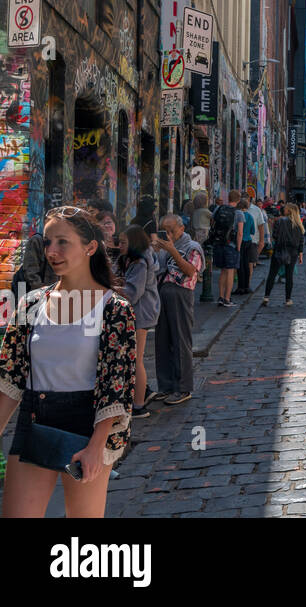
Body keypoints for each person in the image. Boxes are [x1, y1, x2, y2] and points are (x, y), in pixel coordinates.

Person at [0, 207, 136, 519]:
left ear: (90, 247)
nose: (52, 251)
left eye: (63, 242)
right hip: (34, 418)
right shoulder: (31, 304)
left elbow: (118, 387)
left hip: (87, 425)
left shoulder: (115, 309)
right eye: (47, 242)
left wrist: (96, 446)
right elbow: (11, 376)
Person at [152, 214, 204, 406]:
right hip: (162, 292)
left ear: (181, 229)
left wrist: (172, 251)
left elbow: (191, 271)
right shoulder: (165, 247)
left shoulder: (192, 247)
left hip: (180, 293)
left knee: (181, 340)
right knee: (163, 340)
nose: (168, 234)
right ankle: (166, 385)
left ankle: (183, 387)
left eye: (171, 230)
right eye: (164, 231)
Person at [116, 225, 160, 418]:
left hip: (141, 313)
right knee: (133, 358)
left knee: (137, 359)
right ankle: (139, 397)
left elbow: (133, 292)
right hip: (139, 312)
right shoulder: (130, 259)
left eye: (123, 242)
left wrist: (113, 288)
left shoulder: (140, 262)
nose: (119, 245)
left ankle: (139, 404)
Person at [264, 204, 305, 307]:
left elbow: (275, 236)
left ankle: (266, 296)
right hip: (293, 252)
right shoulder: (298, 224)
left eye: (286, 208)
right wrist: (300, 254)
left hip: (280, 250)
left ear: (289, 211)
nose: (284, 210)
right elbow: (301, 240)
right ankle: (288, 299)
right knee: (289, 276)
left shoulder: (279, 221)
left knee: (272, 274)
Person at [211, 192, 243, 307]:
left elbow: (212, 223)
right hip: (231, 245)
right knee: (230, 271)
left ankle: (220, 296)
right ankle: (227, 298)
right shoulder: (239, 213)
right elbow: (240, 232)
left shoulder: (218, 209)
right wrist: (238, 247)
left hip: (219, 243)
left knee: (223, 271)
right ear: (238, 200)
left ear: (228, 198)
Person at [235, 198, 257, 296]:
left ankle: (240, 287)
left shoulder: (238, 215)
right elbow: (253, 231)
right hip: (248, 241)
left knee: (240, 265)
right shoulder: (250, 216)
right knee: (247, 264)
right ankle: (247, 286)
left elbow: (237, 230)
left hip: (240, 241)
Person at [247, 197, 268, 262]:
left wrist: (261, 241)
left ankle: (255, 260)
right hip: (251, 237)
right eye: (258, 204)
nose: (259, 205)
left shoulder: (261, 211)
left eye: (260, 204)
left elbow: (261, 225)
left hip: (256, 236)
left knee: (251, 261)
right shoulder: (255, 210)